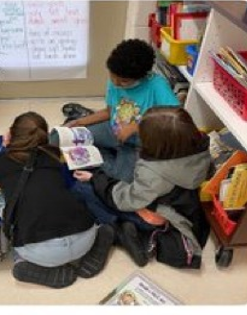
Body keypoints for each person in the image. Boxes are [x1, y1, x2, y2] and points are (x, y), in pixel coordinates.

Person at [74, 106, 213, 269]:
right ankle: (128, 229)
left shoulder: (154, 174)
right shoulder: (199, 144)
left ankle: (118, 231)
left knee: (81, 188)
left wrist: (95, 179)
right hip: (177, 201)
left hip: (160, 216)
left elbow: (125, 200)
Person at [0, 112, 115, 289]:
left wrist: (6, 146)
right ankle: (95, 250)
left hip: (40, 254)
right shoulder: (56, 156)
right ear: (45, 136)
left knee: (10, 220)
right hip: (84, 238)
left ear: (10, 134)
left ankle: (28, 266)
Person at [61, 38, 180, 182]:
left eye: (124, 81)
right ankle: (98, 149)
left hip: (138, 144)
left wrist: (136, 127)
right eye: (113, 77)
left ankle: (100, 163)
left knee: (121, 182)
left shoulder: (157, 85)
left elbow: (175, 119)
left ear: (141, 77)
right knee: (64, 139)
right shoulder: (115, 79)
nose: (116, 83)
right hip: (112, 129)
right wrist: (80, 121)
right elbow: (109, 111)